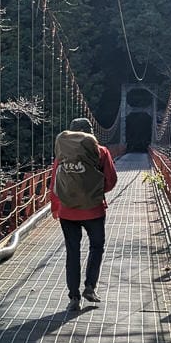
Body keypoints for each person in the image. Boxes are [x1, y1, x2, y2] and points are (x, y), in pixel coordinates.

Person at [49, 117, 118, 306]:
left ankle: (74, 297)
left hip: (67, 210)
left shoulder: (63, 153)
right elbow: (111, 180)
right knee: (96, 247)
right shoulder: (100, 151)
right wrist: (94, 192)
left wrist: (55, 206)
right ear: (90, 133)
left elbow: (55, 181)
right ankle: (90, 287)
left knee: (72, 251)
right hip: (94, 210)